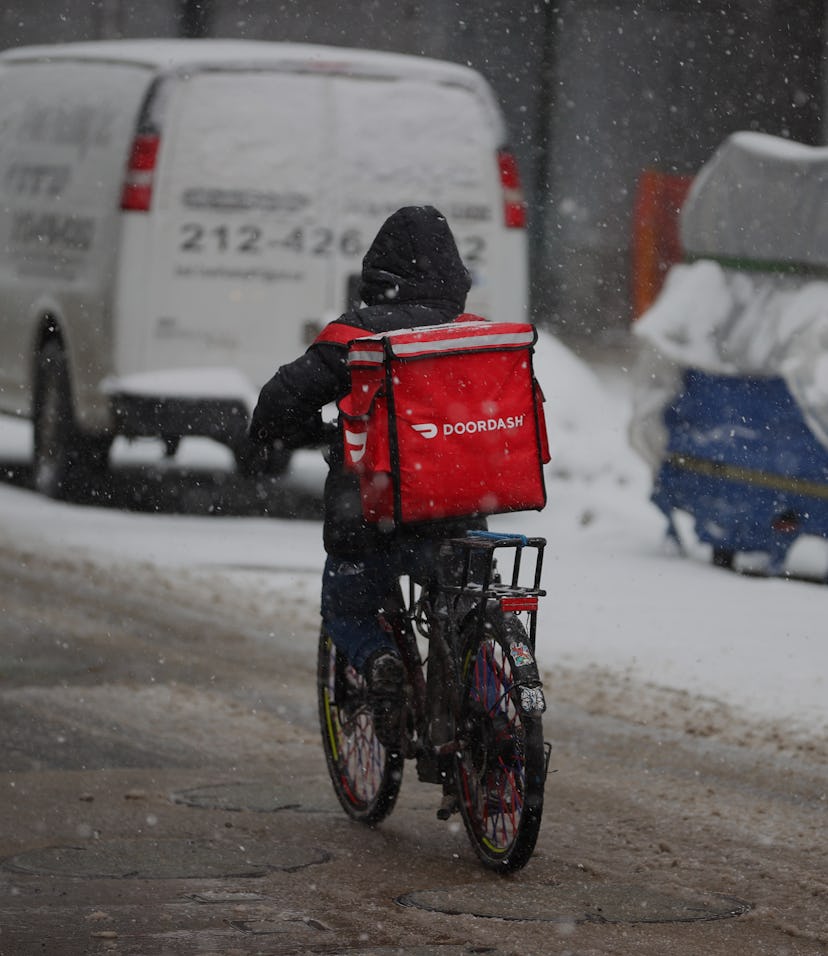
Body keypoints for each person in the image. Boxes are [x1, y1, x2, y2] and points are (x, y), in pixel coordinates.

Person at [248, 206, 481, 745]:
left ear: (378, 275)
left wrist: (281, 436)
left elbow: (276, 405)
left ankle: (378, 661)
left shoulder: (357, 335)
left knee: (350, 601)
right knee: (466, 603)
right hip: (462, 516)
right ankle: (494, 717)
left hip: (375, 522)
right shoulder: (475, 336)